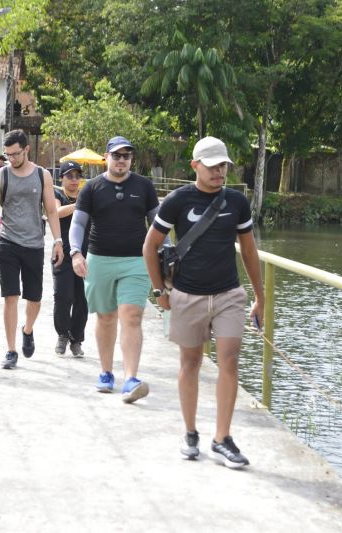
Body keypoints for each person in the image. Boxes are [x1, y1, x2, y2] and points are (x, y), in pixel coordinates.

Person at [142, 135, 264, 469]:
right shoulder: (177, 201)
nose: (219, 172)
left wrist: (260, 297)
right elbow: (149, 247)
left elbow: (250, 251)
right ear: (195, 165)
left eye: (223, 165)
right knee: (190, 363)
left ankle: (222, 438)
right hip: (188, 295)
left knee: (229, 360)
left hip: (228, 294)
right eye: (212, 166)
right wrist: (160, 292)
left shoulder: (236, 202)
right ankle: (190, 432)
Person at [69, 136, 159, 403]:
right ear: (106, 157)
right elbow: (78, 224)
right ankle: (106, 372)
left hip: (136, 261)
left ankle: (131, 378)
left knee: (131, 316)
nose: (122, 160)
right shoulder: (92, 188)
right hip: (100, 260)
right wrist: (76, 252)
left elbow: (157, 225)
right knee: (106, 317)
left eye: (127, 156)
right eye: (116, 155)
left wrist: (167, 254)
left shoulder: (144, 186)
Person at [0, 129, 64, 370]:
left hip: (34, 244)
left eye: (16, 154)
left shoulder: (42, 176)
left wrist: (58, 241)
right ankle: (11, 350)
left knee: (35, 298)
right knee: (10, 296)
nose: (11, 159)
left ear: (26, 150)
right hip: (8, 241)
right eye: (7, 155)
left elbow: (51, 211)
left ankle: (27, 330)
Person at [52, 160, 88, 357]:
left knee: (82, 299)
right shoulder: (57, 194)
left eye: (77, 176)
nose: (74, 180)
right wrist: (80, 205)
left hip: (85, 253)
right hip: (62, 253)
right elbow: (56, 213)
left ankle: (77, 339)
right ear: (62, 178)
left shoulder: (86, 194)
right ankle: (62, 335)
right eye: (69, 176)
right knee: (63, 296)